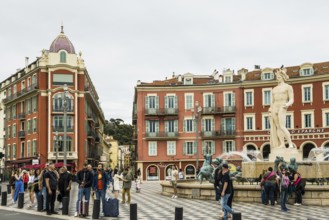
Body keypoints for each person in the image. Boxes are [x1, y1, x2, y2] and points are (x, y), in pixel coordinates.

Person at [269, 67, 294, 149]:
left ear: (283, 77)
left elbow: (292, 99)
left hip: (282, 106)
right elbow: (272, 101)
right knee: (278, 126)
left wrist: (287, 104)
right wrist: (270, 108)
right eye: (277, 78)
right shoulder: (274, 89)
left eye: (279, 77)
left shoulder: (288, 87)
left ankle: (290, 143)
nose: (277, 79)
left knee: (282, 126)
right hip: (275, 107)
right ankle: (282, 144)